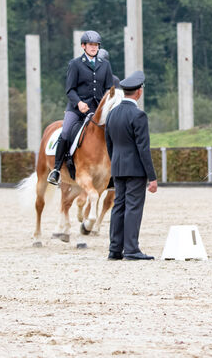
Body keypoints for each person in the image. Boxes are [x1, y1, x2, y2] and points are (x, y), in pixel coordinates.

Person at [47, 30, 114, 185]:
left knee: (114, 133)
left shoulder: (105, 65)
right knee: (65, 132)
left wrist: (105, 106)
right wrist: (79, 103)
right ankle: (56, 170)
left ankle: (112, 172)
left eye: (96, 45)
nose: (94, 47)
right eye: (91, 45)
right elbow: (70, 89)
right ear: (83, 46)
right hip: (77, 108)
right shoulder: (75, 64)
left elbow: (109, 88)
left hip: (98, 110)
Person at [105, 71, 158, 260]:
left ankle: (115, 249)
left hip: (118, 167)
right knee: (133, 207)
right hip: (135, 169)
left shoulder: (111, 114)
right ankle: (132, 249)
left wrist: (115, 163)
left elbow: (109, 144)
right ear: (139, 92)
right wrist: (152, 177)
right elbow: (143, 148)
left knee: (118, 206)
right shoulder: (138, 115)